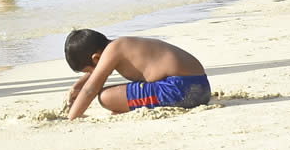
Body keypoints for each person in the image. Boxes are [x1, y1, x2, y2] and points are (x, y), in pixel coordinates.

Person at [62, 29, 210, 119]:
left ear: (96, 58)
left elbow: (90, 90)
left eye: (88, 71)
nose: (90, 75)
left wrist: (72, 117)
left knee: (106, 97)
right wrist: (77, 87)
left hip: (182, 91)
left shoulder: (112, 52)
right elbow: (96, 75)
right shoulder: (119, 45)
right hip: (201, 86)